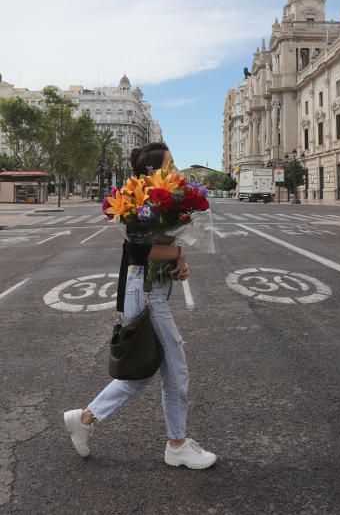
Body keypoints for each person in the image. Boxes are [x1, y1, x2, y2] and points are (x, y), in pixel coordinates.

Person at [64, 142, 217, 469]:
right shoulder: (139, 203)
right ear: (153, 171)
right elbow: (140, 253)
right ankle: (177, 444)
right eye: (170, 164)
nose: (175, 170)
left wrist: (178, 259)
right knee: (174, 368)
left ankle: (86, 418)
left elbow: (149, 252)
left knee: (144, 369)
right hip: (146, 293)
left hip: (149, 290)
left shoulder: (148, 201)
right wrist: (179, 254)